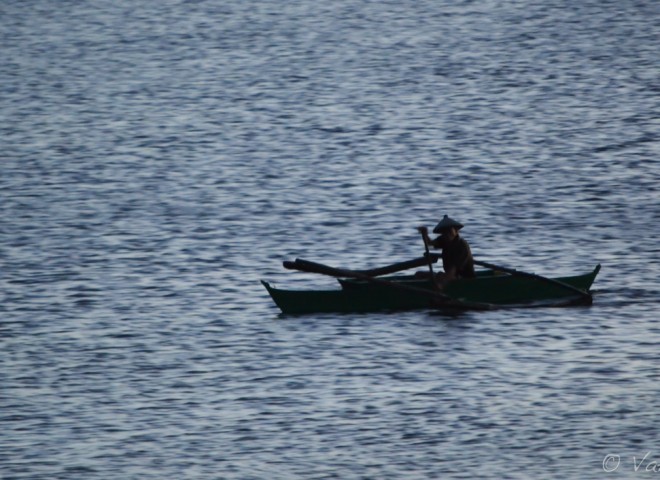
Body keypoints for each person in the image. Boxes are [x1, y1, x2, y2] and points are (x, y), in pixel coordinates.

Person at [417, 215, 475, 284]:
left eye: (450, 231)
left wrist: (440, 284)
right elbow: (430, 243)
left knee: (440, 277)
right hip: (451, 275)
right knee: (419, 275)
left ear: (456, 231)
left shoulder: (462, 245)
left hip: (463, 278)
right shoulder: (444, 239)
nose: (447, 234)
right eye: (444, 232)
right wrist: (425, 234)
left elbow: (453, 270)